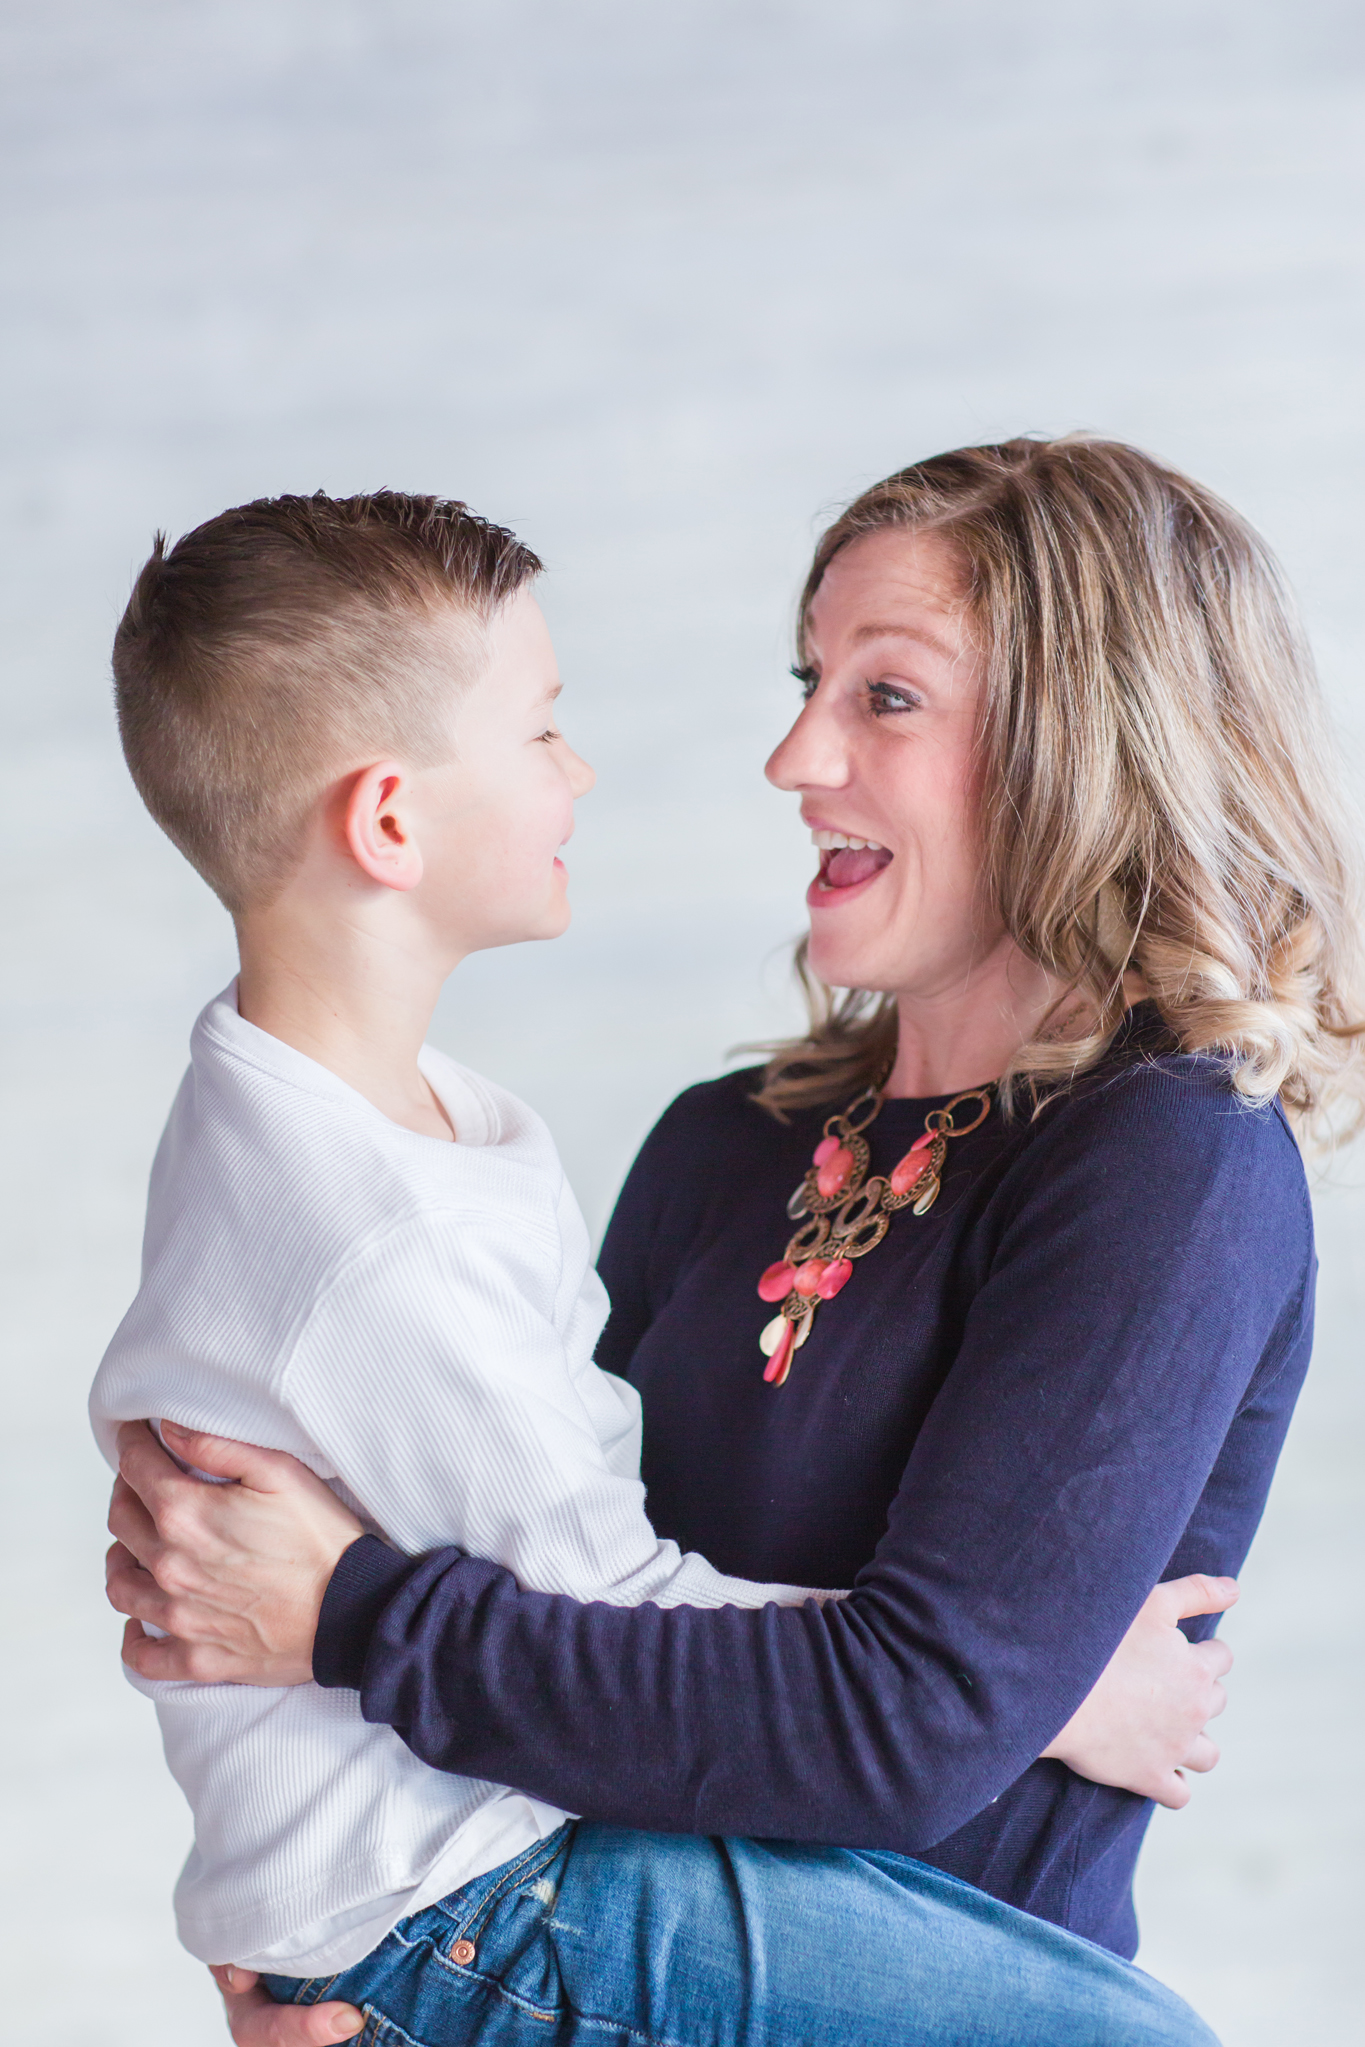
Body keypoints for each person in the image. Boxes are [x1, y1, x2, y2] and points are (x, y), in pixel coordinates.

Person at [106, 438, 1365, 2046]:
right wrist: (320, 1957)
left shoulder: (1166, 1161)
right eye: (804, 681)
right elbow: (548, 1613)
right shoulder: (724, 1142)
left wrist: (350, 1622)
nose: (791, 756)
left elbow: (904, 1731)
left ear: (1082, 747)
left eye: (883, 697)